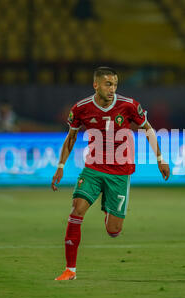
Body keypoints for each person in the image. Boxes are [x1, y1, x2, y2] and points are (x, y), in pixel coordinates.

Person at [52, 67, 170, 280]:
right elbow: (70, 138)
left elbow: (149, 129)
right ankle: (70, 270)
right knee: (76, 210)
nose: (112, 89)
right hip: (93, 169)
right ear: (95, 85)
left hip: (119, 173)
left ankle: (109, 209)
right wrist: (60, 166)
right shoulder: (81, 108)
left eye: (115, 84)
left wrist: (160, 159)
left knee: (113, 230)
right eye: (108, 84)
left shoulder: (129, 105)